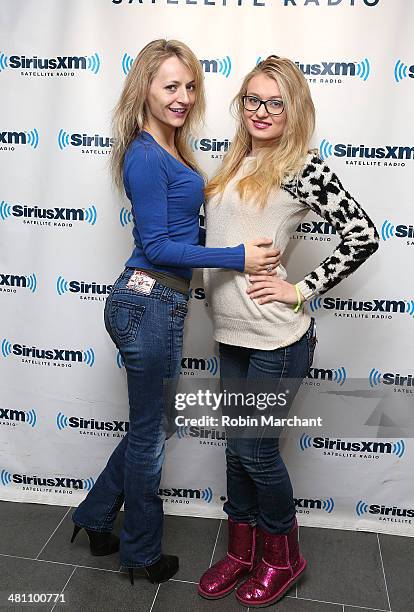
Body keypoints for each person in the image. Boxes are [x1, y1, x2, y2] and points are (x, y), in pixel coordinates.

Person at [69, 40, 279, 586]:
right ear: (145, 88)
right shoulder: (144, 154)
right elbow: (160, 246)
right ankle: (140, 554)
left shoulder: (171, 148)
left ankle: (94, 516)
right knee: (151, 437)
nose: (184, 97)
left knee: (150, 426)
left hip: (158, 303)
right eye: (171, 86)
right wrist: (237, 256)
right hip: (146, 302)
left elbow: (183, 231)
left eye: (190, 87)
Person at [198, 55, 379, 607]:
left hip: (277, 338)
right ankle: (242, 550)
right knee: (235, 451)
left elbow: (363, 235)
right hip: (232, 332)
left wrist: (299, 288)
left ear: (293, 108)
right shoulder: (233, 160)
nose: (262, 110)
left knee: (256, 453)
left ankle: (283, 555)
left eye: (275, 102)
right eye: (253, 99)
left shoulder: (302, 165)